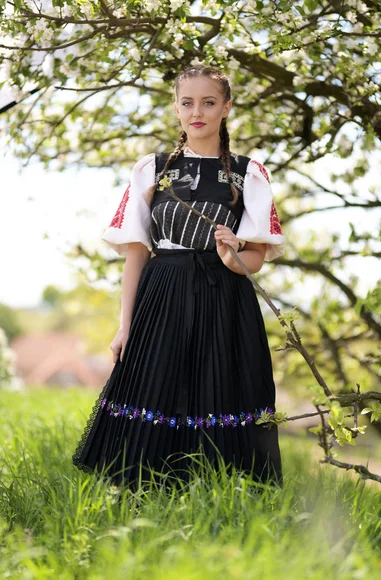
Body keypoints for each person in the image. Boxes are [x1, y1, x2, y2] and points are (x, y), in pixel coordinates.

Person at [71, 65, 285, 491]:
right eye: (188, 103)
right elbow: (136, 252)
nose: (197, 112)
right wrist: (124, 324)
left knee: (222, 386)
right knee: (155, 383)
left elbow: (257, 258)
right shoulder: (151, 170)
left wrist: (232, 253)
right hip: (161, 290)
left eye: (209, 102)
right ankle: (144, 488)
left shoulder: (249, 173)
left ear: (226, 108)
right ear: (176, 109)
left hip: (225, 295)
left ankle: (224, 488)